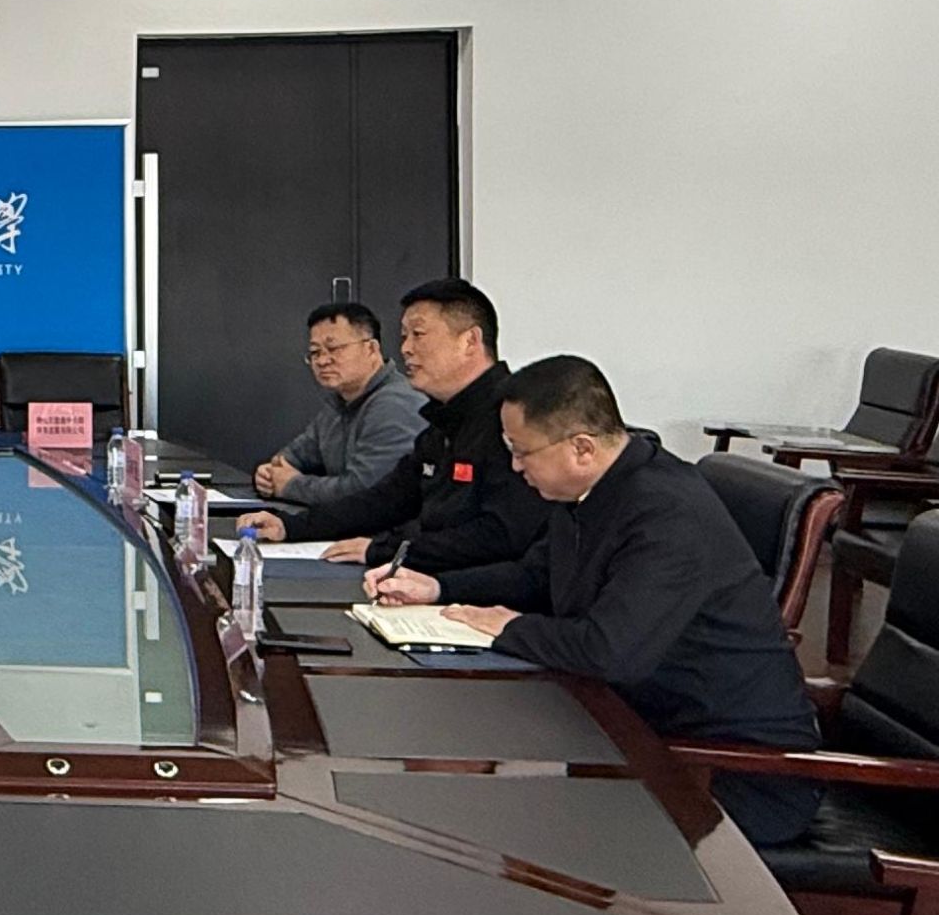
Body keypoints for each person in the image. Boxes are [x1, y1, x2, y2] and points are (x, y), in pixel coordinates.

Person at [365, 355, 821, 845]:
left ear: (581, 448)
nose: (515, 467)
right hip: (635, 729)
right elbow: (535, 576)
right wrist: (438, 588)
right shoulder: (590, 492)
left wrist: (507, 627)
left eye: (521, 452)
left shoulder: (667, 513)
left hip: (730, 773)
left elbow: (609, 651)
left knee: (495, 825)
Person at [238, 279, 549, 572]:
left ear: (470, 341)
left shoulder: (515, 418)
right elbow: (385, 500)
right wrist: (290, 526)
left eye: (418, 334)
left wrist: (388, 550)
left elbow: (502, 534)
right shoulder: (442, 423)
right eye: (404, 337)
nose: (406, 349)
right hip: (434, 578)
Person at [253, 302, 426, 506]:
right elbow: (291, 458)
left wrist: (290, 485)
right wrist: (268, 475)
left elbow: (364, 492)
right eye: (315, 352)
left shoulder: (396, 404)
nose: (322, 361)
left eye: (334, 349)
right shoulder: (338, 405)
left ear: (371, 348)